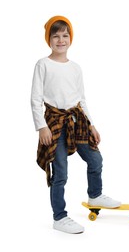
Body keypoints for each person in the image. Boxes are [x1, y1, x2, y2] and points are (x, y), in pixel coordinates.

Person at [31, 15, 121, 234]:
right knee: (60, 172)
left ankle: (95, 195)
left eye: (65, 35)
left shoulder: (76, 68)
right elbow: (35, 99)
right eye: (56, 36)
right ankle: (59, 217)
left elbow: (81, 100)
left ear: (70, 38)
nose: (61, 40)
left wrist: (91, 125)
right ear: (48, 39)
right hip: (55, 123)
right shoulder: (43, 64)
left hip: (77, 120)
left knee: (95, 158)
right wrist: (41, 126)